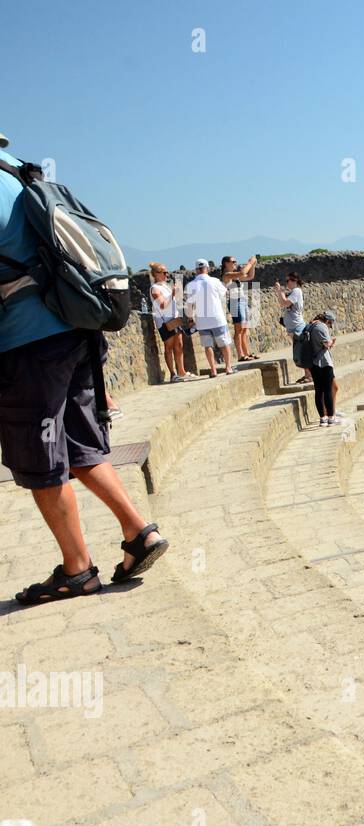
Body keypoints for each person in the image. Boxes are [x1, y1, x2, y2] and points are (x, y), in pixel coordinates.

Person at [0, 132, 168, 603]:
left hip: (28, 342)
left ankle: (77, 571)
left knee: (40, 457)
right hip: (76, 329)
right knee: (76, 442)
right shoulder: (19, 170)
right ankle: (140, 533)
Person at [184, 259, 235, 377]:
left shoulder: (190, 285)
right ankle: (228, 367)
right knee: (224, 344)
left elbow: (189, 305)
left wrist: (191, 319)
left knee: (208, 346)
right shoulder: (215, 281)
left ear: (196, 270)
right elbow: (224, 293)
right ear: (207, 268)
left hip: (202, 321)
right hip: (217, 318)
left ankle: (213, 370)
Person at [148, 262, 193, 382]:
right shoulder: (155, 289)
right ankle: (173, 374)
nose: (166, 274)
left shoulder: (166, 286)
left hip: (174, 318)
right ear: (156, 274)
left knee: (179, 345)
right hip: (164, 322)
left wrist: (176, 294)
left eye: (166, 272)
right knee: (169, 346)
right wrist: (172, 294)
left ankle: (182, 371)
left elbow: (174, 301)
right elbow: (162, 305)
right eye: (163, 272)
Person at [305, 311, 339, 425]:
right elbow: (326, 343)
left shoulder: (310, 326)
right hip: (324, 363)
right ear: (328, 321)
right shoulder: (321, 327)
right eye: (330, 324)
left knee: (319, 391)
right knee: (327, 390)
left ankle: (322, 417)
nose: (329, 327)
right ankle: (330, 417)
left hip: (312, 362)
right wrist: (332, 342)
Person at [222, 254, 258, 361]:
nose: (235, 263)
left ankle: (247, 353)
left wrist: (253, 266)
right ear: (226, 263)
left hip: (242, 300)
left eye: (235, 262)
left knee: (244, 329)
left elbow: (250, 276)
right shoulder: (227, 275)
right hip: (234, 302)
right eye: (233, 262)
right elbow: (243, 272)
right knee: (239, 329)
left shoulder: (235, 276)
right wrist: (250, 263)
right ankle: (240, 355)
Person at [274, 272, 308, 384]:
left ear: (294, 281)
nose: (286, 283)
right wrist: (280, 293)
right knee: (301, 352)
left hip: (297, 327)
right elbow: (281, 303)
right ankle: (307, 375)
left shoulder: (297, 291)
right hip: (293, 328)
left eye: (288, 280)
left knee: (302, 352)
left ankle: (309, 375)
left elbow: (284, 303)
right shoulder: (293, 292)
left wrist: (280, 291)